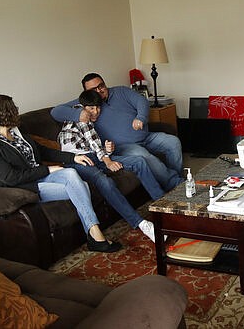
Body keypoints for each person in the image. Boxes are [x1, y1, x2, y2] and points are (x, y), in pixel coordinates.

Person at [0, 94, 121, 253]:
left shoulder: (15, 131)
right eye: (13, 108)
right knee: (82, 186)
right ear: (5, 112)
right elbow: (10, 178)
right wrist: (48, 169)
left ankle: (94, 235)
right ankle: (96, 236)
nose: (16, 111)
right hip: (25, 187)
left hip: (39, 175)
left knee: (70, 173)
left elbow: (41, 151)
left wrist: (73, 157)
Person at [58, 90, 165, 243]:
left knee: (138, 161)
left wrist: (107, 150)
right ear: (83, 107)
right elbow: (92, 140)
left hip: (93, 156)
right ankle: (141, 224)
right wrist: (107, 161)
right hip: (77, 161)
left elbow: (94, 144)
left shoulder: (88, 116)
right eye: (91, 108)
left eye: (98, 108)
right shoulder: (80, 114)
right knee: (105, 181)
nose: (95, 112)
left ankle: (162, 207)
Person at [51, 73, 184, 192]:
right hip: (123, 146)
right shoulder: (86, 103)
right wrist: (78, 114)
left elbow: (141, 101)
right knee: (143, 155)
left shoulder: (121, 91)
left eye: (101, 85)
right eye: (94, 89)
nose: (99, 90)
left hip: (146, 137)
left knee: (173, 142)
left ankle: (179, 179)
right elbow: (55, 111)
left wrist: (140, 117)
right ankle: (176, 184)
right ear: (87, 93)